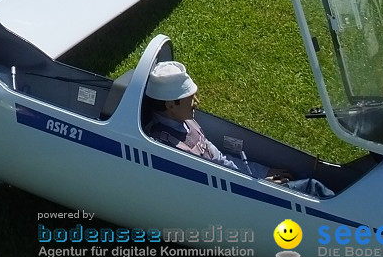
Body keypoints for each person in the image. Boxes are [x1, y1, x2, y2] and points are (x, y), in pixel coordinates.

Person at [143, 61, 334, 198]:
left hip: (242, 188)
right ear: (170, 105)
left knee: (298, 177)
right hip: (238, 198)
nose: (197, 102)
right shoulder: (167, 148)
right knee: (311, 188)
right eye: (190, 98)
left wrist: (263, 173)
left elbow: (219, 159)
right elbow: (210, 193)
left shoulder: (186, 122)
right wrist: (262, 188)